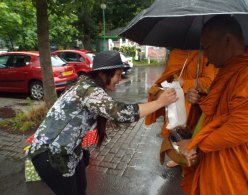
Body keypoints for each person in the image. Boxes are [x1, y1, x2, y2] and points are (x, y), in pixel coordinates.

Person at [27, 50, 177, 195]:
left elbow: (114, 112)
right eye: (118, 74)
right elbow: (120, 113)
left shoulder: (90, 87)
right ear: (103, 73)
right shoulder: (88, 90)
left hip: (71, 151)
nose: (120, 78)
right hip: (50, 154)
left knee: (81, 188)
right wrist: (159, 103)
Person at [179, 15, 248, 194]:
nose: (206, 57)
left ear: (227, 40)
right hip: (213, 158)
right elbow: (218, 112)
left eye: (207, 48)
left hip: (236, 170)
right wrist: (199, 100)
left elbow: (241, 127)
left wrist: (195, 144)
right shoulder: (227, 70)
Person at [145, 49, 217, 168]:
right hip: (173, 100)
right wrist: (164, 85)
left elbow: (208, 82)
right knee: (172, 131)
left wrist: (185, 83)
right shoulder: (176, 53)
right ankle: (178, 156)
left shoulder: (204, 55)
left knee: (188, 132)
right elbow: (168, 75)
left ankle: (188, 158)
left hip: (192, 102)